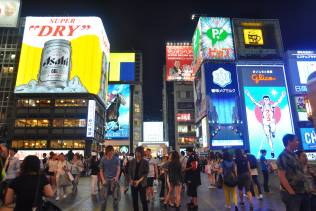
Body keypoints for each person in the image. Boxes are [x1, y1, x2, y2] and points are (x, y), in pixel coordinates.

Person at [245, 90, 286, 158]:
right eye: (265, 99)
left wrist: (282, 96)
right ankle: (272, 150)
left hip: (272, 122)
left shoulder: (272, 106)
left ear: (269, 100)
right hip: (265, 124)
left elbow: (278, 101)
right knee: (268, 137)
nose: (266, 100)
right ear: (263, 100)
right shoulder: (262, 106)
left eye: (267, 99)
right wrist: (249, 95)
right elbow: (254, 102)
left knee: (273, 131)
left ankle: (273, 133)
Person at [277, 134, 310, 211]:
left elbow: (299, 171)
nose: (298, 142)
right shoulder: (283, 156)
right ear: (289, 142)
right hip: (293, 194)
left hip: (302, 191)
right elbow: (281, 176)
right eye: (296, 140)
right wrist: (291, 192)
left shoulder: (294, 155)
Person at [127, 146, 149, 211]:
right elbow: (129, 171)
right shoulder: (132, 161)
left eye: (139, 152)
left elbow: (145, 173)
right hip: (133, 183)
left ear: (142, 153)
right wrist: (131, 180)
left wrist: (138, 181)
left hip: (141, 183)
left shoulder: (145, 162)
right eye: (136, 152)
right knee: (134, 200)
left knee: (143, 200)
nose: (137, 154)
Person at [99, 145, 120, 211]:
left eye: (112, 152)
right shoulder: (103, 159)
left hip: (114, 181)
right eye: (109, 152)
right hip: (106, 181)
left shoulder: (116, 159)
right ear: (107, 152)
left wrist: (116, 177)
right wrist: (103, 179)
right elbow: (101, 170)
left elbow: (118, 168)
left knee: (115, 200)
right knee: (103, 200)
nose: (111, 153)